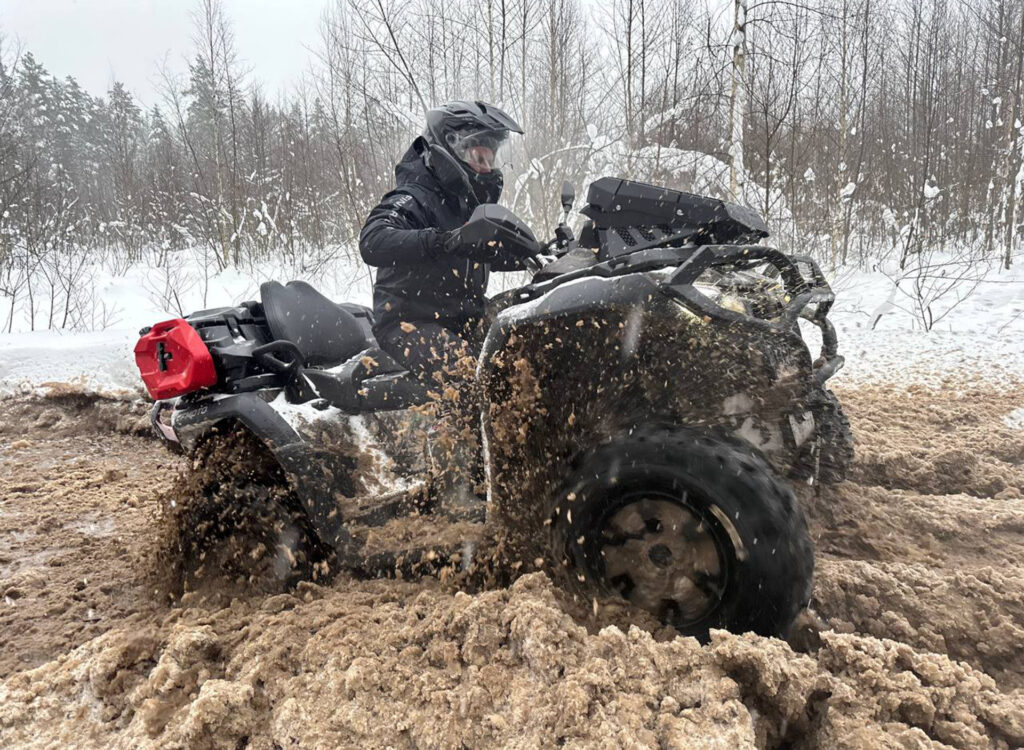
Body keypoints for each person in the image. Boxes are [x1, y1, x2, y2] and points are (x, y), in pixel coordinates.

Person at [359, 100, 528, 515]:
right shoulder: (413, 196)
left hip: (460, 317)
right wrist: (443, 240)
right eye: (478, 156)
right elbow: (373, 240)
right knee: (467, 377)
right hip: (408, 321)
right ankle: (457, 492)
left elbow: (487, 250)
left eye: (490, 157)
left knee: (523, 332)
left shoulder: (464, 204)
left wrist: (538, 252)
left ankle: (521, 463)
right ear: (450, 148)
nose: (486, 166)